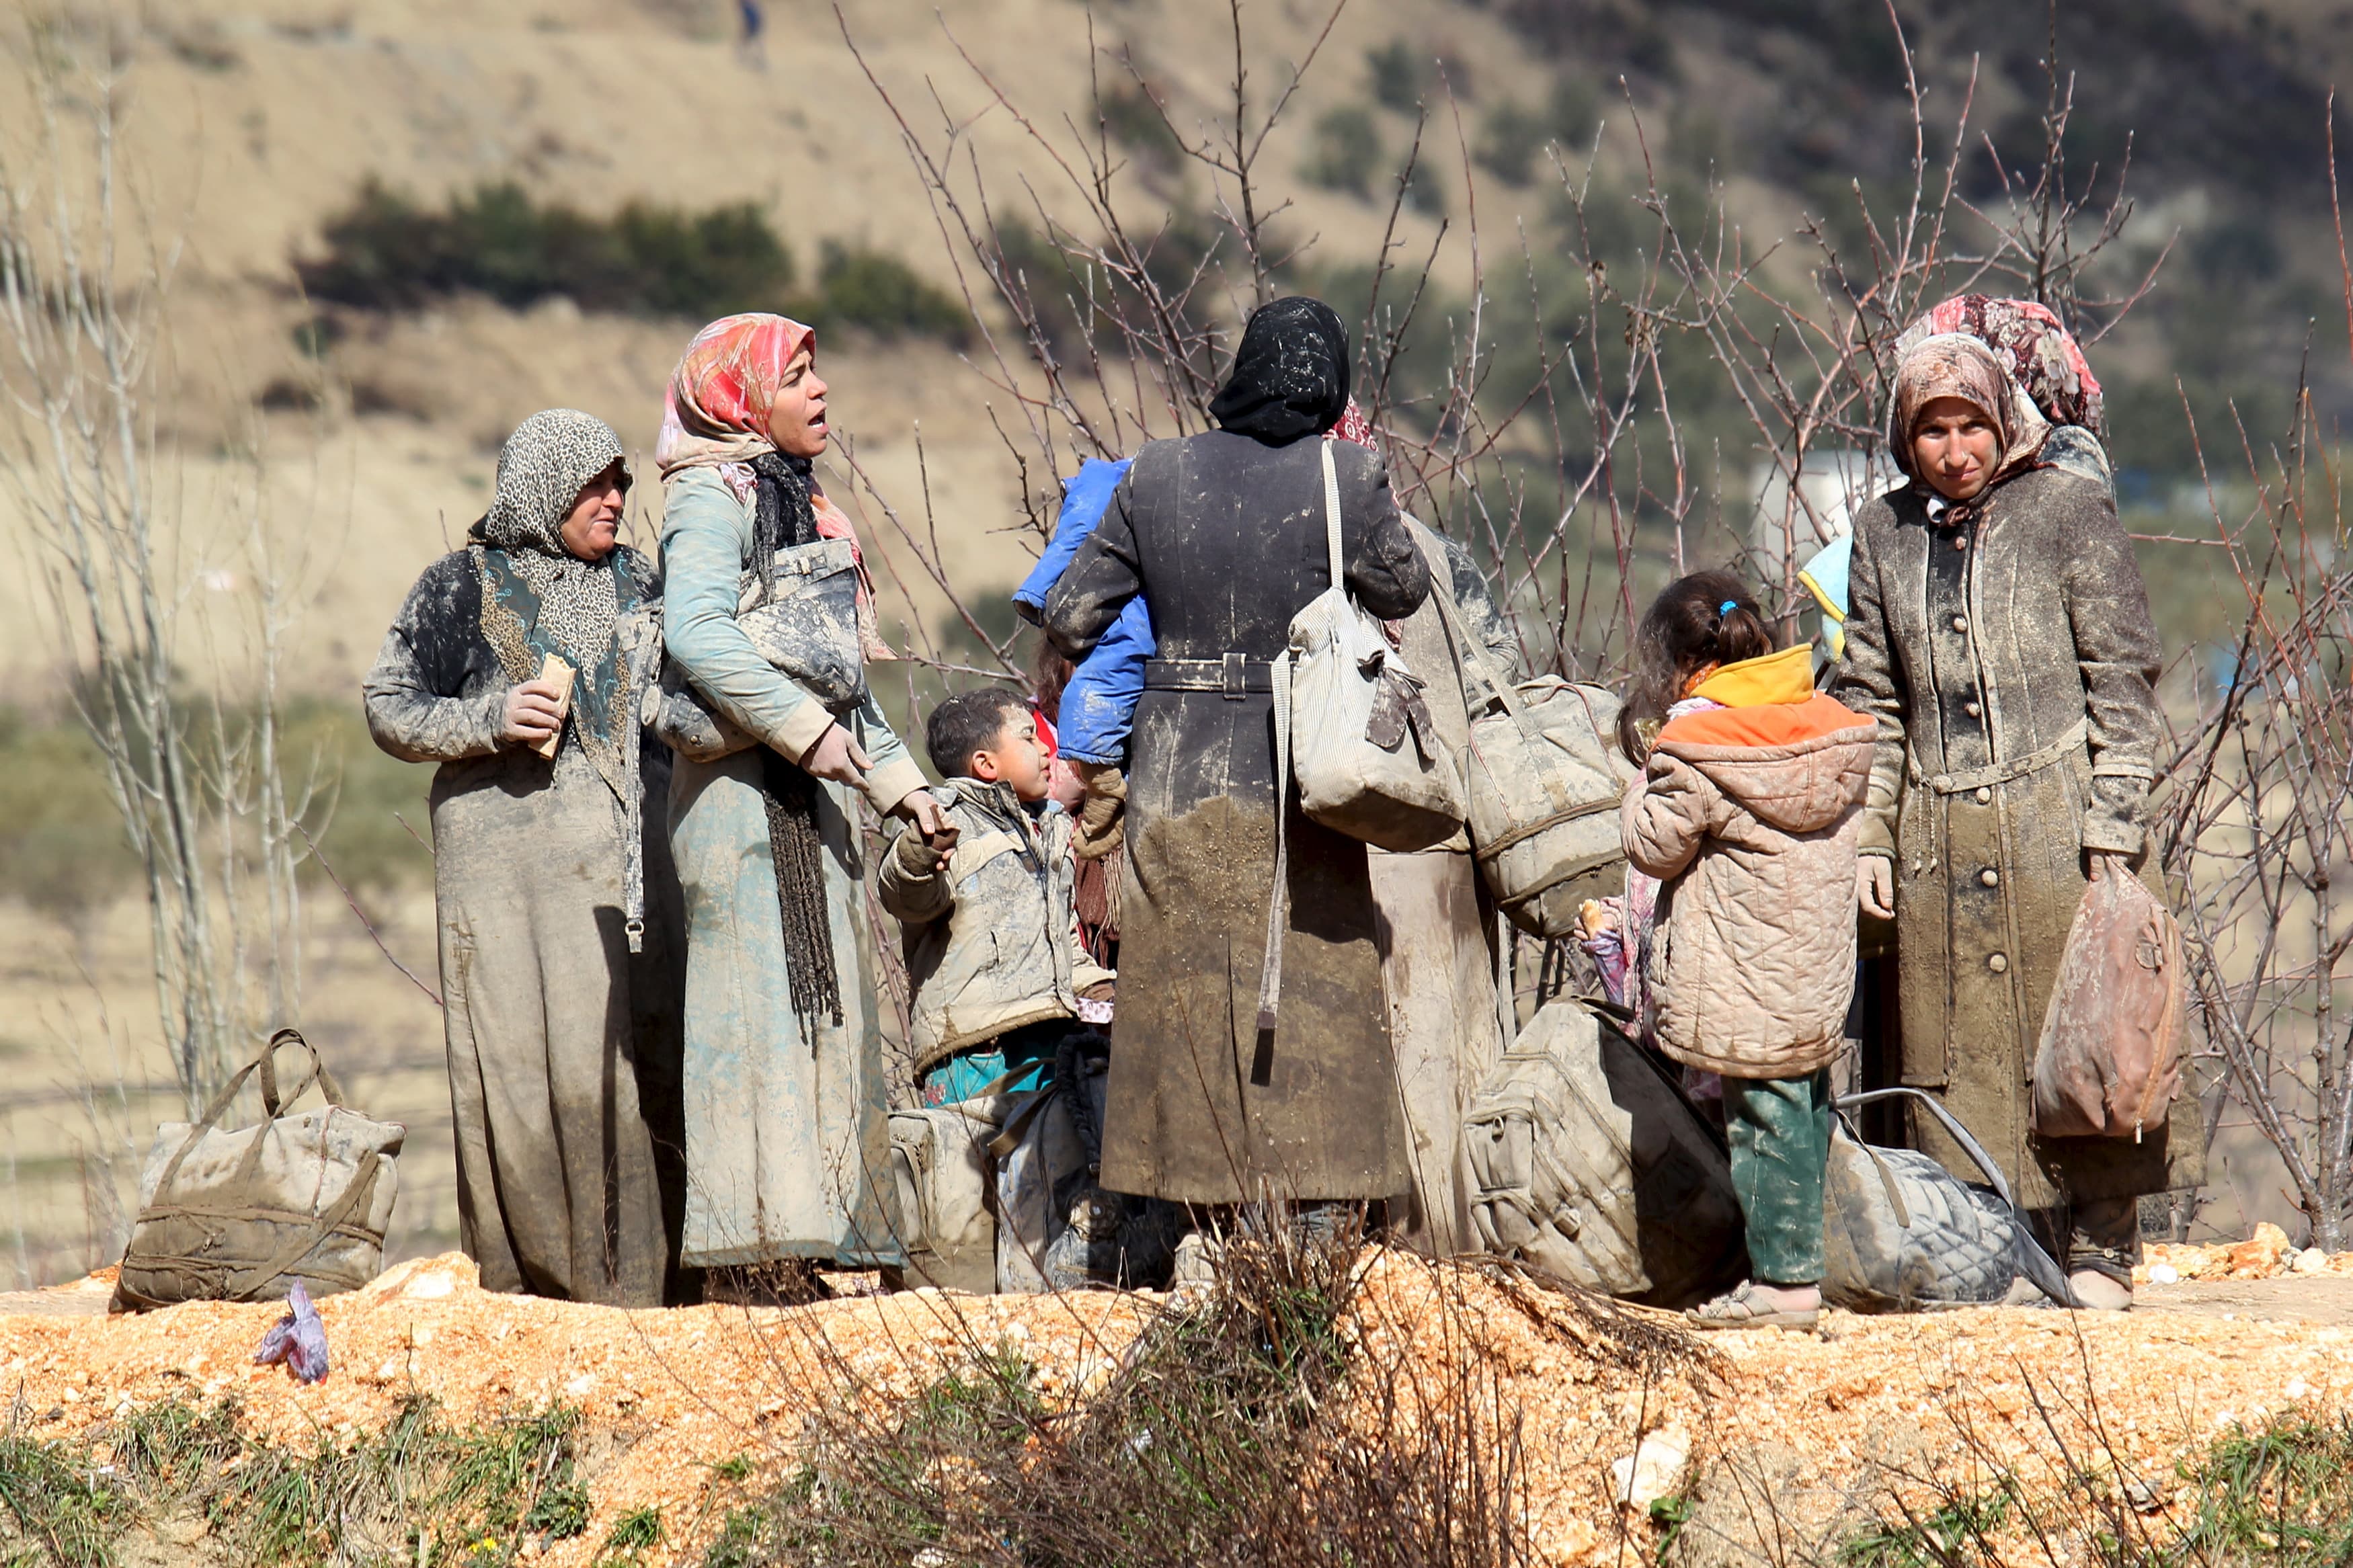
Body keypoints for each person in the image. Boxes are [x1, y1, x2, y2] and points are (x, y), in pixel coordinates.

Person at [1042, 296, 1430, 1253]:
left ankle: (1182, 1213)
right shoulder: (1348, 474)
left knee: (1182, 983)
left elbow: (1070, 614)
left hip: (1178, 771)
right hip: (1304, 770)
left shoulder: (1155, 474)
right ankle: (1321, 1208)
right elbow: (1405, 587)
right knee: (1318, 973)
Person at [1833, 331, 2203, 1311]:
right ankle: (1993, 1252)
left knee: (2087, 1039)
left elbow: (2121, 679)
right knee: (1961, 1061)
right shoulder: (1881, 536)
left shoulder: (2068, 513)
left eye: (1971, 425)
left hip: (2061, 831)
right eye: (1932, 431)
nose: (1954, 449)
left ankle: (2103, 1249)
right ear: (1904, 439)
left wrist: (2114, 824)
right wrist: (1872, 836)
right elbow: (1872, 702)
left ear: (2006, 421)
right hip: (1936, 844)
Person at [655, 313, 955, 1296]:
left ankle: (809, 1237)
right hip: (741, 801)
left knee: (819, 1015)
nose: (820, 393)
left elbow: (841, 683)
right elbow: (696, 632)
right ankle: (750, 1258)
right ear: (742, 398)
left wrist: (906, 789)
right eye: (796, 377)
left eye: (819, 373)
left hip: (808, 789)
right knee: (754, 1021)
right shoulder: (709, 497)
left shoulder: (799, 500)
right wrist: (802, 729)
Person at [363, 408, 685, 1307]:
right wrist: (486, 720)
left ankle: (645, 1285)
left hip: (628, 877)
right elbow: (388, 704)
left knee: (630, 1061)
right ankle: (530, 1288)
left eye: (622, 482)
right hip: (503, 883)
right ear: (545, 487)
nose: (617, 499)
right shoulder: (458, 588)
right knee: (516, 1068)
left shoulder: (643, 585)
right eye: (596, 483)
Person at [1618, 573, 1876, 1329]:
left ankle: (1782, 1285)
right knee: (1800, 1111)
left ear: (1675, 667)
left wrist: (1636, 789)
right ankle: (1814, 1262)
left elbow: (1654, 845)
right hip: (1812, 966)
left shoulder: (1694, 743)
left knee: (1757, 1123)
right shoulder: (1813, 717)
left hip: (1740, 969)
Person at [879, 688, 1115, 1108]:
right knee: (975, 1167)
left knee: (1047, 1169)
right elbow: (909, 896)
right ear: (986, 764)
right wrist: (919, 856)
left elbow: (1060, 939)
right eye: (1029, 738)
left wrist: (1098, 986)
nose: (1047, 749)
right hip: (974, 1050)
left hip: (1048, 1036)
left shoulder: (1050, 827)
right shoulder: (943, 821)